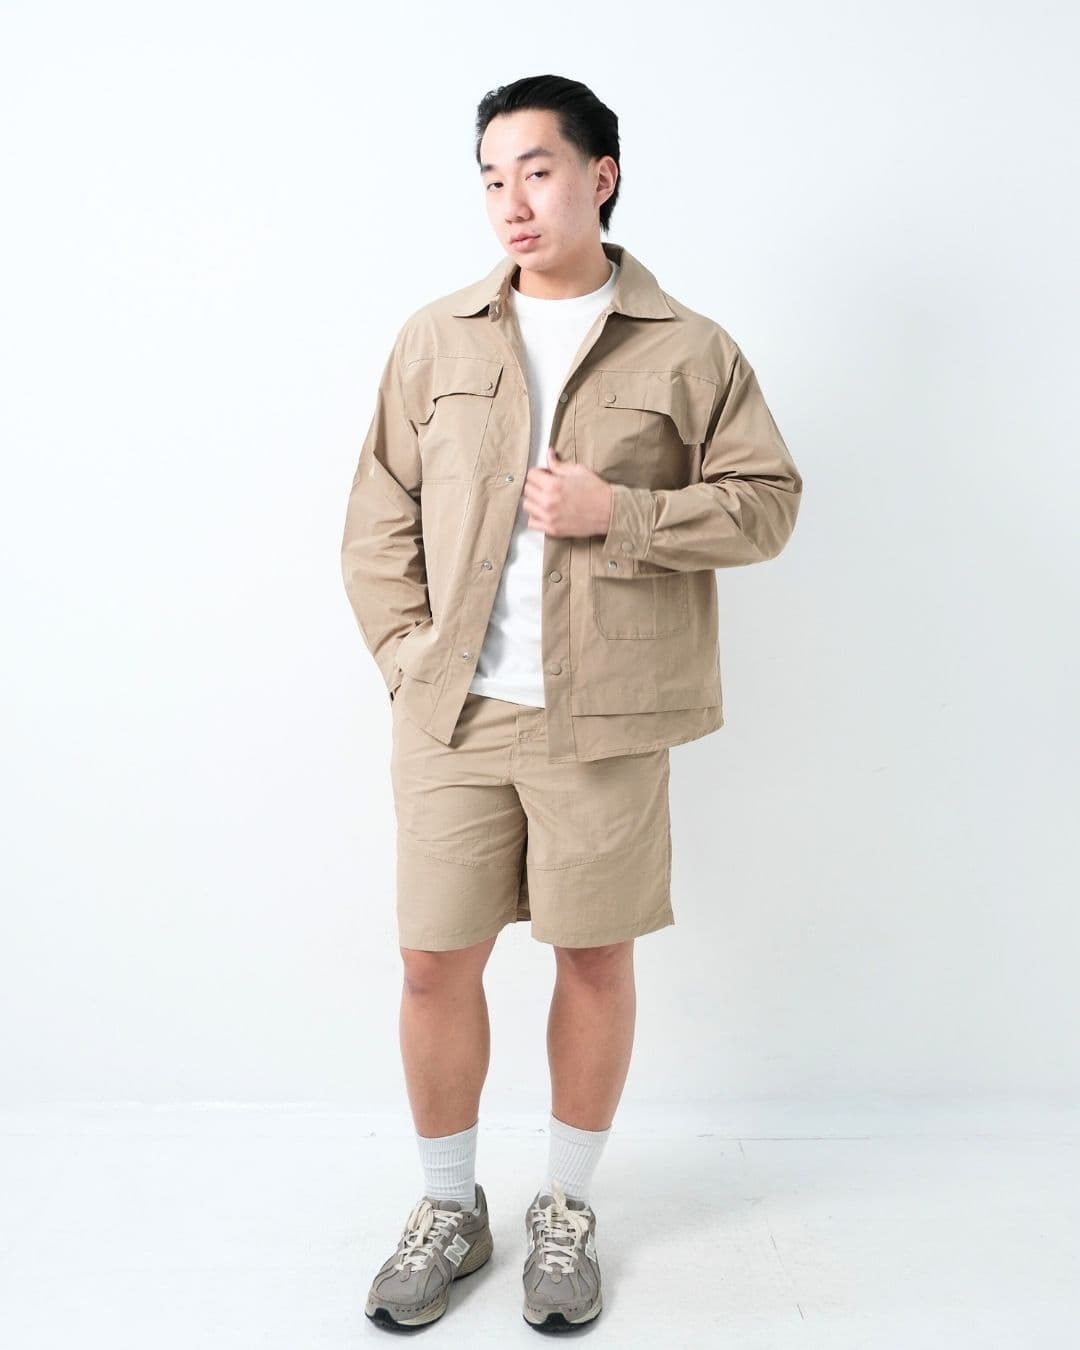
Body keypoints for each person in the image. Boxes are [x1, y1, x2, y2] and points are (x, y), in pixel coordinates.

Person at [340, 73, 803, 1333]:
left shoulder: (691, 348)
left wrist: (623, 513)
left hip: (605, 721)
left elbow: (768, 504)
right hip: (452, 716)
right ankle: (450, 1208)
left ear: (601, 176)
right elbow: (377, 514)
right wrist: (407, 659)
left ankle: (566, 1208)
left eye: (536, 170)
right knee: (433, 964)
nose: (512, 200)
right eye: (492, 177)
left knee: (593, 959)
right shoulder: (436, 339)